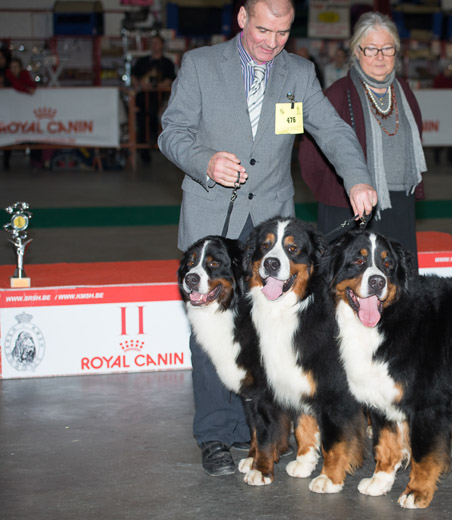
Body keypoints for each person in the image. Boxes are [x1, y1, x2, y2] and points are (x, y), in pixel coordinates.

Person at [158, 0, 377, 476]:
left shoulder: (298, 72)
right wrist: (206, 160)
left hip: (271, 230)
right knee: (211, 332)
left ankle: (266, 431)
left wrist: (357, 177)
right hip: (213, 219)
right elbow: (171, 132)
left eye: (281, 33)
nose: (271, 43)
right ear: (242, 18)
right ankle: (217, 434)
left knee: (269, 333)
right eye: (262, 30)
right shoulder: (200, 65)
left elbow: (331, 130)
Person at [298, 12, 426, 258]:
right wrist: (333, 192)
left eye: (387, 49)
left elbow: (417, 136)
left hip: (400, 205)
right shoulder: (337, 94)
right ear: (356, 51)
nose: (380, 56)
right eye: (371, 49)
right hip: (349, 207)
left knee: (399, 286)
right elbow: (309, 157)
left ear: (396, 53)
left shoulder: (406, 93)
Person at [131, 35, 176, 164]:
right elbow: (134, 76)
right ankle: (143, 148)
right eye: (152, 43)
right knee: (141, 120)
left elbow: (169, 81)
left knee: (151, 116)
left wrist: (154, 86)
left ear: (162, 45)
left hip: (157, 98)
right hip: (141, 97)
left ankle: (150, 142)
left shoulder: (167, 63)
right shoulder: (143, 61)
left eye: (156, 43)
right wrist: (140, 85)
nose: (154, 45)